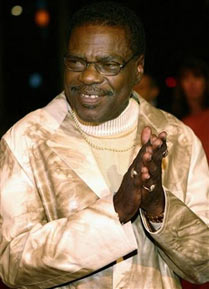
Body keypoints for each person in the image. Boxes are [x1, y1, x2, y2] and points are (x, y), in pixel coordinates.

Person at [0, 2, 209, 289]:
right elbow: (13, 264)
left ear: (138, 69)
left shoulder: (179, 139)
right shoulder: (26, 139)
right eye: (76, 62)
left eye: (108, 64)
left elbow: (203, 265)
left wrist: (158, 208)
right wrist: (116, 210)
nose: (88, 76)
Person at [172, 57, 209, 163]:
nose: (192, 83)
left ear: (205, 82)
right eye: (186, 78)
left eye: (197, 76)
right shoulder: (175, 122)